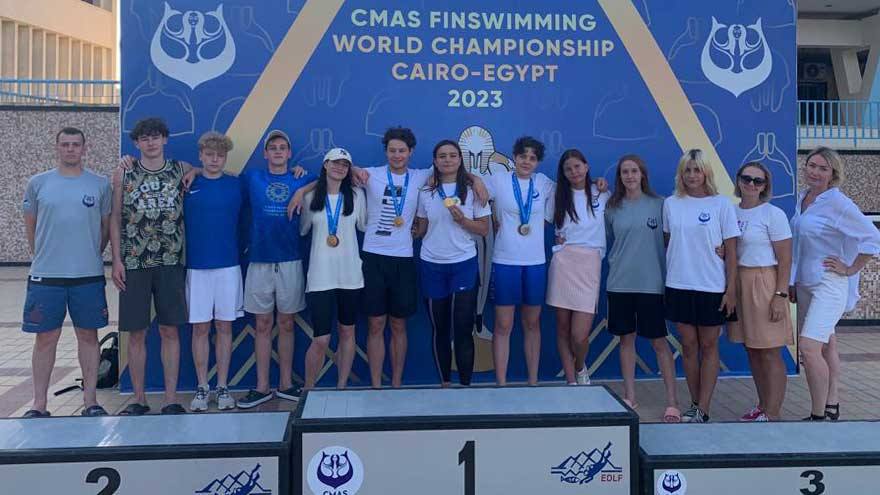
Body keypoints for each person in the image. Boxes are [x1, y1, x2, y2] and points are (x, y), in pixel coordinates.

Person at [21, 127, 111, 418]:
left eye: (75, 144)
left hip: (87, 275)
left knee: (88, 336)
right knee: (45, 338)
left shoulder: (100, 184)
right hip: (47, 276)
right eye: (65, 144)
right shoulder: (38, 183)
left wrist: (89, 254)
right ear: (57, 147)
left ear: (85, 148)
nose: (70, 149)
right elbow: (31, 226)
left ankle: (91, 401)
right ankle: (39, 404)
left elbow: (105, 229)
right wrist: (45, 255)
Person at [790, 147, 880, 421]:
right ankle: (832, 404)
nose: (815, 172)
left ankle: (817, 416)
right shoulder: (804, 198)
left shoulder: (838, 203)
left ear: (833, 174)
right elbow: (798, 246)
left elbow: (873, 238)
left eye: (823, 168)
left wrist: (850, 268)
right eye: (812, 165)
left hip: (828, 284)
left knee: (808, 348)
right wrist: (792, 280)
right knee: (826, 344)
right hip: (804, 284)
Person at [111, 117, 193, 415]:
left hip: (171, 261)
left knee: (170, 331)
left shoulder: (180, 169)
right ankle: (139, 399)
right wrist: (116, 260)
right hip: (135, 262)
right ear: (136, 143)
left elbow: (207, 170)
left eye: (155, 137)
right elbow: (115, 218)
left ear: (165, 139)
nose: (151, 142)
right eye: (144, 138)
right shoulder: (124, 172)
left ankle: (170, 399)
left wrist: (195, 171)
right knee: (136, 333)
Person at [236, 129, 313, 408]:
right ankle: (262, 387)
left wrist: (303, 189)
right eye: (273, 148)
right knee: (262, 324)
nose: (278, 152)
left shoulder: (300, 177)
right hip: (259, 259)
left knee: (287, 323)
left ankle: (286, 384)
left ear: (289, 153)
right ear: (265, 153)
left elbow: (327, 179)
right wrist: (194, 170)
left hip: (290, 259)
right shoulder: (253, 177)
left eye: (283, 147)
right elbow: (218, 175)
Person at [663, 149, 740, 423]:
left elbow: (732, 251)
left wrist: (731, 290)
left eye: (697, 170)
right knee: (688, 345)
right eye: (687, 170)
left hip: (711, 286)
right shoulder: (671, 203)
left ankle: (704, 408)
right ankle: (694, 405)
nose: (692, 175)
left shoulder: (722, 205)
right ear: (681, 174)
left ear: (706, 172)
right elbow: (668, 241)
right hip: (678, 284)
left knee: (708, 345)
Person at [604, 155, 681, 422]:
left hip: (652, 285)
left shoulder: (660, 205)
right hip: (620, 284)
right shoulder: (611, 207)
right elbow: (606, 241)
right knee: (626, 340)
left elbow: (675, 240)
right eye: (624, 172)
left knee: (659, 343)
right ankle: (629, 396)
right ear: (619, 177)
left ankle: (672, 402)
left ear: (642, 174)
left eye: (634, 171)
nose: (629, 176)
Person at [413, 140, 491, 387]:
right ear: (435, 161)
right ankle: (445, 384)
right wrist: (408, 231)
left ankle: (465, 387)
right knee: (440, 329)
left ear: (460, 159)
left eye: (452, 155)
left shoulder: (473, 189)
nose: (447, 160)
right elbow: (422, 228)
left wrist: (463, 221)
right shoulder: (426, 192)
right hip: (432, 265)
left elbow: (484, 229)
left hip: (463, 265)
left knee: (463, 328)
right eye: (442, 156)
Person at [483, 136, 555, 386]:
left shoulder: (544, 183)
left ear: (538, 162)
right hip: (505, 261)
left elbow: (573, 189)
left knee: (532, 323)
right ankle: (501, 383)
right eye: (523, 156)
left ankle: (533, 382)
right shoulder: (498, 180)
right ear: (514, 157)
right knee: (503, 325)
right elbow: (473, 185)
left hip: (535, 263)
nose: (527, 161)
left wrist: (598, 184)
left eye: (532, 158)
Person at [727, 162, 793, 422]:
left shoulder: (773, 214)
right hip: (739, 281)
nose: (751, 184)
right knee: (752, 349)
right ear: (738, 180)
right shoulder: (730, 212)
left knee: (769, 350)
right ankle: (763, 405)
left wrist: (780, 295)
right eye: (747, 178)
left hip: (764, 281)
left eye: (758, 181)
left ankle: (773, 412)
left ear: (765, 186)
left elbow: (785, 259)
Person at [183, 132, 242, 412]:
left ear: (225, 157)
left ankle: (223, 386)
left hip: (229, 266)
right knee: (200, 328)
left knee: (224, 327)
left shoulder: (236, 184)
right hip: (197, 267)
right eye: (209, 155)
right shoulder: (187, 183)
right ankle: (202, 387)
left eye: (220, 155)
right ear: (201, 156)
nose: (215, 159)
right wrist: (193, 171)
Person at [300, 148, 366, 390]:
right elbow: (303, 229)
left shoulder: (357, 196)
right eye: (335, 163)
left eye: (345, 165)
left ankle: (341, 386)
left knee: (347, 331)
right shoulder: (310, 198)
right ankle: (308, 390)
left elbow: (364, 225)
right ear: (325, 165)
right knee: (321, 338)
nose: (340, 168)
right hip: (320, 277)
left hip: (350, 276)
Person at [545, 149, 610, 387]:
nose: (574, 172)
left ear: (586, 166)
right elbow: (540, 222)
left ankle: (580, 366)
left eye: (577, 166)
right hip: (563, 262)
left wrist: (602, 183)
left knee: (579, 335)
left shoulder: (602, 192)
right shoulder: (557, 195)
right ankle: (572, 381)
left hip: (590, 263)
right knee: (563, 329)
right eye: (568, 169)